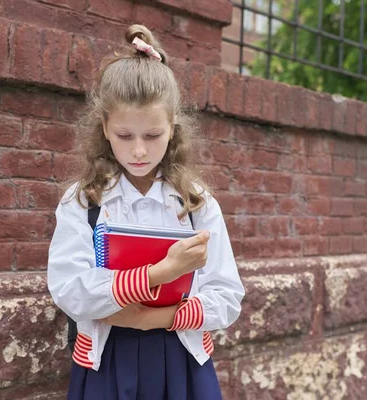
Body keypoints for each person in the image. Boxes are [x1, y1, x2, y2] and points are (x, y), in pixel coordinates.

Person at [47, 24, 245, 400]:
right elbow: (70, 290)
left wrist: (149, 318)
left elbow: (227, 295)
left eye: (152, 136)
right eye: (125, 136)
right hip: (106, 360)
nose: (139, 151)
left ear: (172, 129)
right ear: (105, 128)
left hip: (182, 356)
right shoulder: (85, 200)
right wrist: (161, 273)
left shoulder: (196, 202)